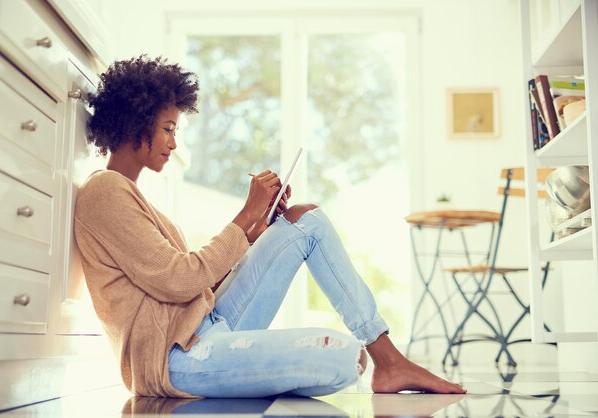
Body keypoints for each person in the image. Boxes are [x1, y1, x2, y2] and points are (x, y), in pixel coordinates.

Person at [74, 55, 467, 398]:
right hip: (176, 359)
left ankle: (391, 361)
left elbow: (195, 287)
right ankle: (251, 371)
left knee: (305, 219)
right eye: (168, 129)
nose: (173, 143)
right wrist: (245, 215)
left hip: (206, 326)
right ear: (133, 125)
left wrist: (258, 229)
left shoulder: (130, 195)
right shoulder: (105, 191)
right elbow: (179, 280)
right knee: (343, 357)